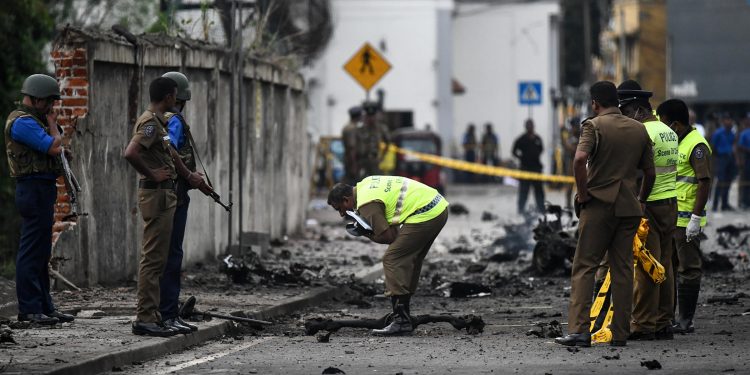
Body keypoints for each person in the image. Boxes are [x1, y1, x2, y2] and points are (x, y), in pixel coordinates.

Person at [555, 81, 655, 348]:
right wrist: (641, 200)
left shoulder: (593, 125)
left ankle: (579, 331)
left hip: (599, 205)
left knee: (585, 266)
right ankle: (620, 332)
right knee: (622, 269)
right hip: (629, 207)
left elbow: (579, 160)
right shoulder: (638, 129)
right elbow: (650, 172)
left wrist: (583, 193)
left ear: (595, 103)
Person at [123, 77, 211, 337]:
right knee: (154, 260)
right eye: (175, 96)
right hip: (157, 195)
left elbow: (169, 151)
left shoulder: (160, 122)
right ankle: (147, 317)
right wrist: (152, 174)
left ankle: (157, 315)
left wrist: (185, 174)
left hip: (165, 195)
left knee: (161, 258)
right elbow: (130, 152)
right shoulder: (151, 122)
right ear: (171, 97)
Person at [327, 176, 449, 335]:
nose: (342, 214)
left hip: (426, 213)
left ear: (346, 200)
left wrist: (365, 233)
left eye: (340, 209)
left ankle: (401, 321)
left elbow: (388, 237)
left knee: (392, 259)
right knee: (411, 257)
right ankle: (403, 314)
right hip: (438, 207)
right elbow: (394, 231)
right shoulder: (365, 184)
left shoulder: (366, 204)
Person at [4, 74, 76, 325]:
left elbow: (56, 150)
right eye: (48, 102)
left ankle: (46, 306)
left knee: (42, 250)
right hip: (31, 189)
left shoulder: (34, 120)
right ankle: (30, 309)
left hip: (42, 189)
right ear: (35, 99)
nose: (51, 107)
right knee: (31, 250)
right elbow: (53, 147)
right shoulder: (22, 122)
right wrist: (54, 126)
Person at [617, 80, 678, 340]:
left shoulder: (643, 133)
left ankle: (643, 324)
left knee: (646, 266)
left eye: (627, 113)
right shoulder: (668, 131)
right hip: (670, 203)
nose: (626, 119)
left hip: (649, 205)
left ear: (638, 110)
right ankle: (663, 322)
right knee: (665, 263)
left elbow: (639, 172)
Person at [656, 99, 712, 334]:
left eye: (666, 124)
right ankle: (668, 318)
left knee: (688, 269)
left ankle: (685, 320)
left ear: (677, 124)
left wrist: (696, 219)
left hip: (687, 221)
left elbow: (704, 182)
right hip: (671, 218)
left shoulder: (696, 145)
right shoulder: (676, 142)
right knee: (668, 269)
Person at [158, 71, 202, 334]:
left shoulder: (157, 119)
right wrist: (188, 175)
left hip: (168, 192)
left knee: (166, 255)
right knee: (172, 255)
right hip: (175, 193)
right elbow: (170, 150)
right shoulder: (173, 121)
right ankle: (168, 313)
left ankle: (167, 312)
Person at [512, 119, 545, 213]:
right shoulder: (521, 139)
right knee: (523, 191)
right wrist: (521, 158)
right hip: (525, 169)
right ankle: (520, 210)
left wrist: (535, 155)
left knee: (539, 191)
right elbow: (514, 151)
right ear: (525, 127)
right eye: (528, 125)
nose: (530, 127)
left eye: (531, 125)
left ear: (533, 126)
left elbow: (541, 149)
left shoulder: (537, 138)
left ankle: (541, 210)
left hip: (536, 169)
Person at [354, 102, 389, 179]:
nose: (371, 118)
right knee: (360, 181)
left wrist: (382, 157)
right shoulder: (360, 128)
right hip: (362, 161)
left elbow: (388, 142)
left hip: (375, 160)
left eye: (372, 116)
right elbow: (355, 144)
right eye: (368, 116)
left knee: (377, 181)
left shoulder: (381, 128)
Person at [710, 113, 736, 211]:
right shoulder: (718, 133)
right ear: (723, 121)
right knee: (720, 182)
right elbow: (712, 146)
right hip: (720, 158)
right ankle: (715, 205)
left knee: (728, 181)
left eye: (730, 120)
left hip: (730, 158)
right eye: (727, 120)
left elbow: (733, 144)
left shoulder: (731, 133)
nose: (729, 122)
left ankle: (725, 204)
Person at [563, 119, 581, 208]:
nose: (576, 128)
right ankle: (568, 204)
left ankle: (580, 202)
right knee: (569, 186)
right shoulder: (569, 136)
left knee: (581, 185)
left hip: (581, 162)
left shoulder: (581, 135)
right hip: (571, 162)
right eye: (575, 126)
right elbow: (570, 148)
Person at [342, 106, 362, 184]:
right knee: (352, 183)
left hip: (350, 160)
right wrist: (354, 166)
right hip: (352, 161)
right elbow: (352, 148)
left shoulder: (348, 126)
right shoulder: (351, 128)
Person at [736, 117, 750, 209]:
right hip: (746, 158)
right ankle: (743, 202)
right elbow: (739, 146)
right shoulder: (744, 133)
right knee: (744, 181)